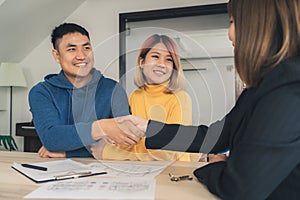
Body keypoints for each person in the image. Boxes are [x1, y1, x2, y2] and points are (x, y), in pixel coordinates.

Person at [101, 0, 300, 199]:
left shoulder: (289, 86)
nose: (229, 33)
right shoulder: (261, 86)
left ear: (256, 25)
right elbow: (214, 136)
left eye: (232, 21)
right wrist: (148, 128)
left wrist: (214, 164)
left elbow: (240, 187)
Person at [28, 23, 143, 158]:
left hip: (106, 173)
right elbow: (52, 138)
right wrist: (103, 127)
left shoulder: (113, 89)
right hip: (55, 173)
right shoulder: (42, 92)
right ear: (57, 55)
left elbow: (126, 142)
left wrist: (68, 152)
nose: (82, 56)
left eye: (86, 48)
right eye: (72, 49)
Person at [91, 34, 199, 161]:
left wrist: (106, 152)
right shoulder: (134, 96)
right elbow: (127, 142)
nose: (162, 64)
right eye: (155, 56)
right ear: (142, 62)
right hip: (140, 171)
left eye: (169, 59)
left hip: (171, 173)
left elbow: (171, 152)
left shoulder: (181, 98)